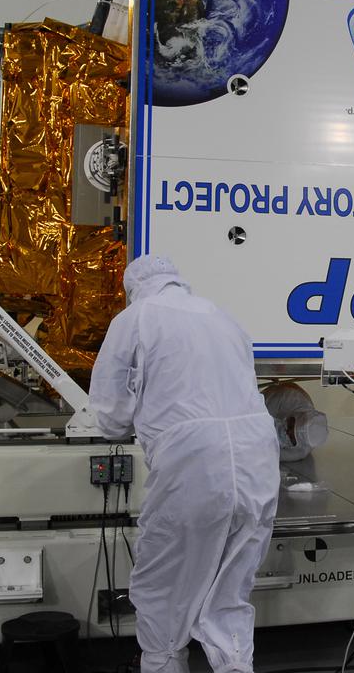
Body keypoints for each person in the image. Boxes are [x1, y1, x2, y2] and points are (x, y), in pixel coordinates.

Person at [90, 255, 279, 673]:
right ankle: (234, 666)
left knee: (165, 579)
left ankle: (162, 664)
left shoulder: (135, 319)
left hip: (193, 463)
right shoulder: (221, 316)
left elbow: (109, 416)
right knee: (230, 587)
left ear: (132, 288)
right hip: (257, 460)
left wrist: (131, 417)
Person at [261, 382, 329, 462]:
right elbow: (254, 416)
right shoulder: (288, 397)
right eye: (291, 426)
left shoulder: (300, 452)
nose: (288, 432)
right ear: (297, 416)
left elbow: (269, 455)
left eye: (292, 438)